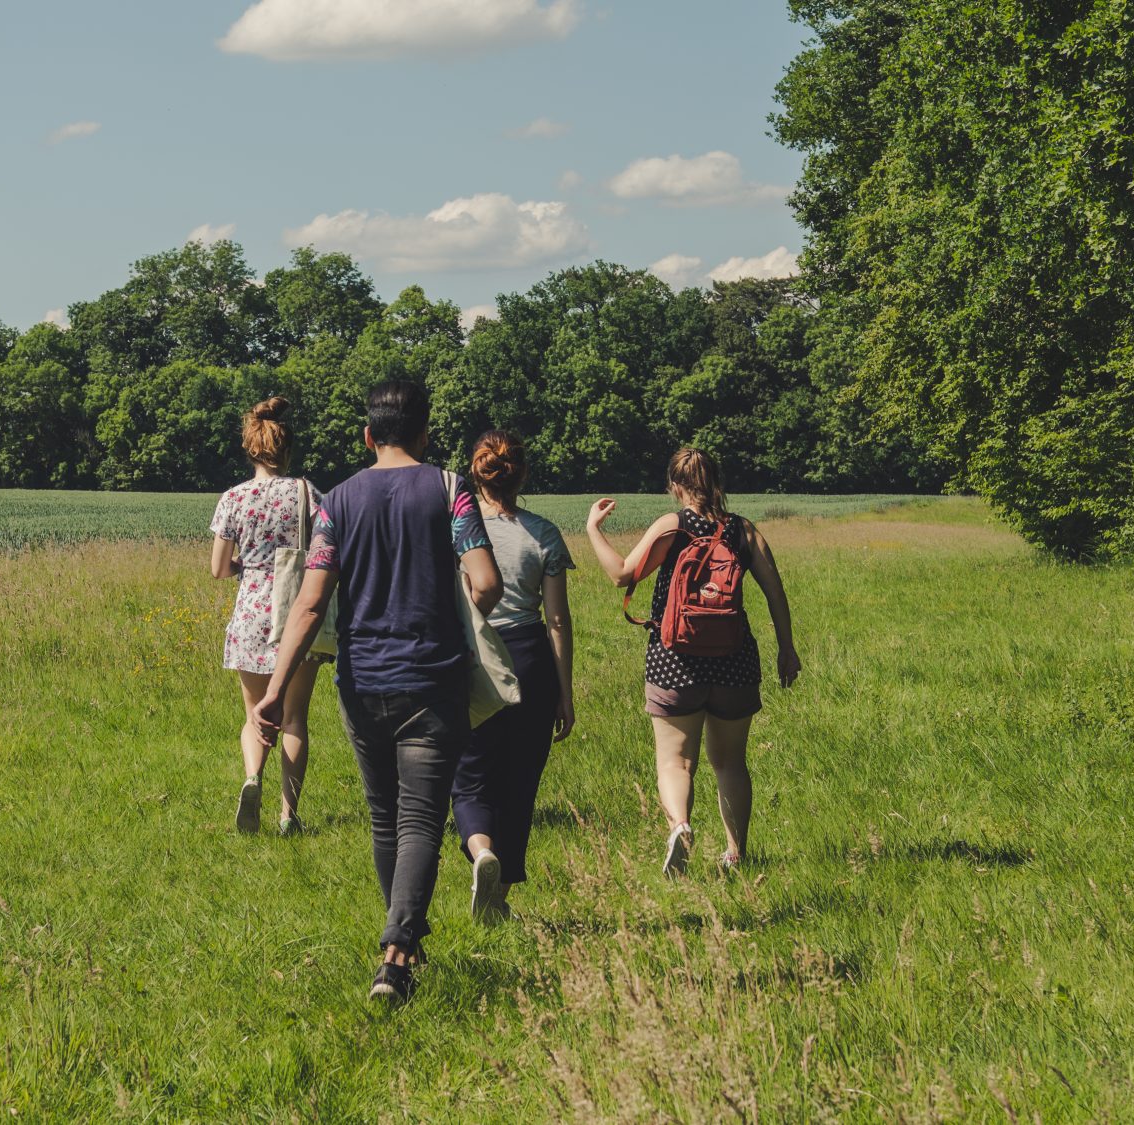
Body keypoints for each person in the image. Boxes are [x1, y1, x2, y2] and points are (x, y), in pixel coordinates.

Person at [253, 380, 500, 1003]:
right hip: (432, 679)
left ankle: (403, 946)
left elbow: (311, 604)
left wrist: (275, 690)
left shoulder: (337, 501)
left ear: (368, 436)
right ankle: (396, 955)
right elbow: (486, 583)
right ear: (424, 433)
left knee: (385, 817)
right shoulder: (450, 489)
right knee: (421, 820)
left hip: (361, 682)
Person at [582, 448, 800, 874]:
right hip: (735, 660)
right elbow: (776, 592)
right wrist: (786, 648)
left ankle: (680, 826)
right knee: (731, 762)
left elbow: (621, 574)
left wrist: (593, 529)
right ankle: (735, 854)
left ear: (675, 486)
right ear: (716, 481)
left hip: (674, 661)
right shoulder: (743, 530)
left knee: (675, 761)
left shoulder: (673, 526)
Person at [451, 430, 575, 923]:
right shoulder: (543, 534)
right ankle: (498, 897)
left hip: (474, 656)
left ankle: (482, 852)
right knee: (520, 784)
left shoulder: (455, 530)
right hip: (530, 662)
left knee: (469, 774)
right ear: (521, 474)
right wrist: (565, 693)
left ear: (476, 473)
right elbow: (558, 621)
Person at [209, 396, 323, 836]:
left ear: (250, 449)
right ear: (287, 449)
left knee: (254, 712)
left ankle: (252, 777)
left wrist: (249, 565)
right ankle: (288, 815)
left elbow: (219, 568)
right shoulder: (308, 493)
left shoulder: (234, 498)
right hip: (298, 611)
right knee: (294, 717)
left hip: (251, 615)